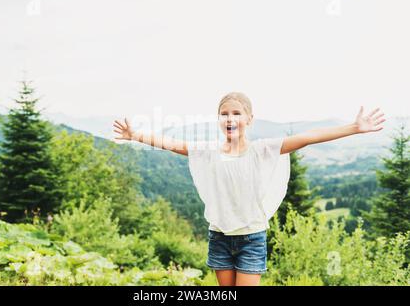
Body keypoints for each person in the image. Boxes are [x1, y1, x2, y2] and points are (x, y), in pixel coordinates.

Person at [112, 92, 386, 286]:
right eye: (224, 114)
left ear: (249, 119)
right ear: (219, 120)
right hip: (219, 236)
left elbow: (307, 138)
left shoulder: (262, 150)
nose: (229, 118)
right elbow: (172, 144)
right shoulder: (208, 151)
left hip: (251, 238)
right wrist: (135, 135)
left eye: (236, 113)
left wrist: (354, 127)